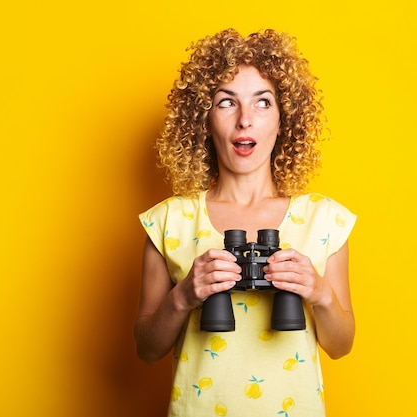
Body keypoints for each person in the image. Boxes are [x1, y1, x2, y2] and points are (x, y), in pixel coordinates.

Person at [135, 28, 357, 417]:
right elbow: (147, 349)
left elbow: (340, 346)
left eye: (263, 103)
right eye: (226, 103)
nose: (244, 121)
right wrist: (186, 295)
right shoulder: (168, 221)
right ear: (203, 120)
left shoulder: (324, 219)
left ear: (284, 120)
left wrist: (318, 292)